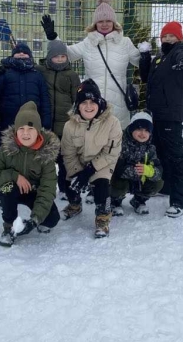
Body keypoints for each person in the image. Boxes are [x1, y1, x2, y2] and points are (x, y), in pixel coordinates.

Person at [40, 0, 143, 130]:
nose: (104, 24)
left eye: (108, 21)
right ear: (95, 23)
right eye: (100, 21)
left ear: (114, 22)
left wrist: (146, 55)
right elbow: (67, 54)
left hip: (119, 106)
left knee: (115, 146)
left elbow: (141, 62)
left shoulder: (125, 43)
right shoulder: (88, 43)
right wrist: (53, 37)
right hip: (93, 104)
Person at [0, 101, 60, 247]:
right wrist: (14, 175)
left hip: (33, 192)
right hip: (10, 190)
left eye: (30, 128)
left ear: (38, 131)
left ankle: (33, 219)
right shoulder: (6, 149)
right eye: (21, 128)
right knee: (8, 187)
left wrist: (35, 219)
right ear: (16, 130)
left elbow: (48, 190)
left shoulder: (46, 154)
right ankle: (8, 227)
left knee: (52, 220)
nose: (25, 133)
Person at [139, 21, 183, 218]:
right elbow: (146, 77)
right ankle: (166, 187)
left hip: (171, 115)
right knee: (159, 152)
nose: (168, 39)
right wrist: (145, 57)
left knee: (175, 157)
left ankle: (180, 200)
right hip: (155, 114)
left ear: (178, 38)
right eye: (165, 36)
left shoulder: (181, 51)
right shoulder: (160, 58)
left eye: (172, 36)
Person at [60, 79, 122, 238]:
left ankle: (103, 216)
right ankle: (75, 205)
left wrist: (89, 171)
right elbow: (68, 153)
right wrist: (77, 173)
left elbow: (111, 152)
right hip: (79, 162)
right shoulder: (69, 125)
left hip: (103, 163)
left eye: (92, 101)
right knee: (69, 182)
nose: (88, 106)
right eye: (84, 102)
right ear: (77, 105)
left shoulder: (112, 122)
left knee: (102, 186)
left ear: (100, 103)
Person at [36, 40, 81, 199]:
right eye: (56, 56)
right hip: (45, 125)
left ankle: (64, 187)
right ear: (49, 57)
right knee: (45, 159)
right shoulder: (40, 71)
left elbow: (77, 99)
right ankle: (44, 188)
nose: (61, 59)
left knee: (64, 160)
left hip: (65, 125)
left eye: (63, 56)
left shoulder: (72, 75)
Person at [0, 41, 52, 142]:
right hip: (8, 122)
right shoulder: (5, 72)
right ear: (13, 55)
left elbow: (44, 99)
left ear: (29, 56)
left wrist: (46, 121)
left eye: (24, 52)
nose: (21, 53)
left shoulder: (37, 75)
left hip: (31, 122)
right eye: (18, 52)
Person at [110, 111, 164, 216]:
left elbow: (158, 168)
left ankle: (138, 200)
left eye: (146, 131)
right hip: (122, 178)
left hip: (140, 179)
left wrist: (149, 171)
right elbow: (116, 166)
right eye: (139, 129)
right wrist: (133, 170)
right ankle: (115, 202)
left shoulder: (151, 148)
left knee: (158, 182)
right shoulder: (120, 143)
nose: (143, 134)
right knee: (117, 184)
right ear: (131, 129)